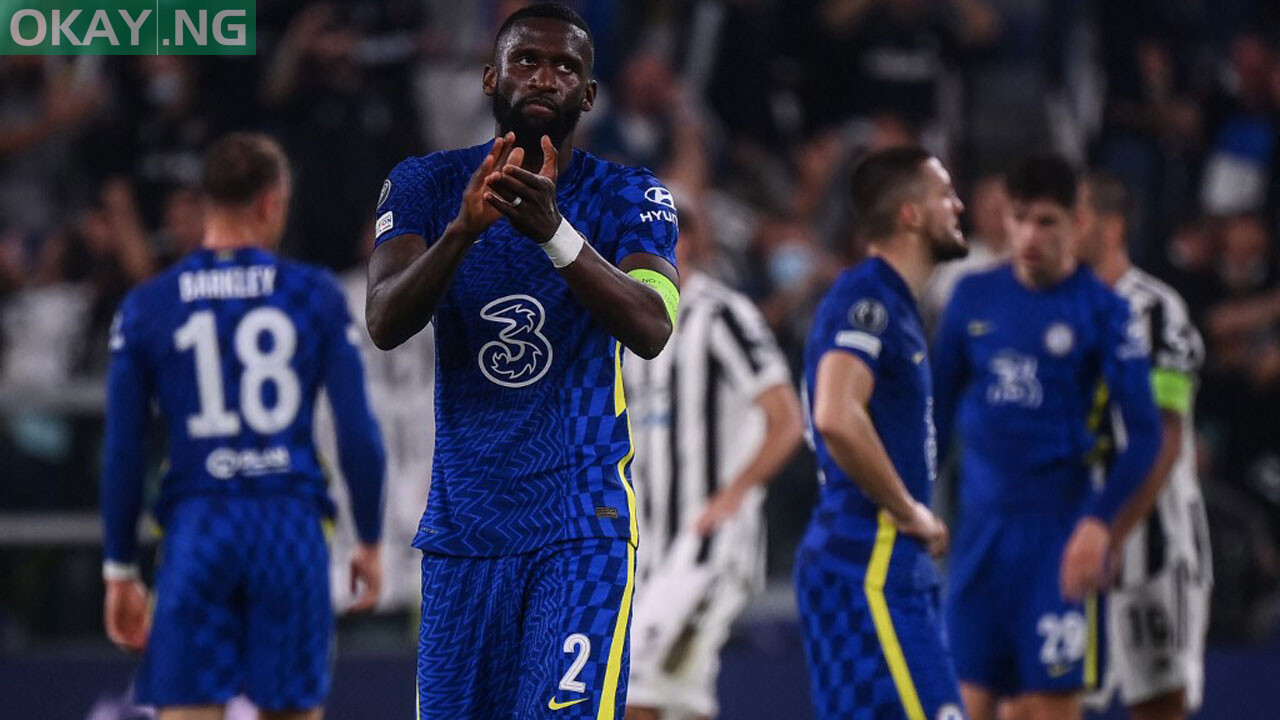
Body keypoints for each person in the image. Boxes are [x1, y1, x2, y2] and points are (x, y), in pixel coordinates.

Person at [363, 3, 680, 718]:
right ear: (490, 77)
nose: (544, 77)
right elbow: (384, 319)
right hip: (464, 532)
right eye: (527, 61)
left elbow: (653, 324)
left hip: (581, 525)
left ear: (589, 94)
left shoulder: (631, 195)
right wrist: (461, 232)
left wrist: (554, 234)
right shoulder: (425, 185)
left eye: (565, 67)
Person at [100, 132, 387, 720]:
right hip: (289, 523)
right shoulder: (313, 295)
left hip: (199, 523)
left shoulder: (150, 305)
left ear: (208, 202)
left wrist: (120, 568)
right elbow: (358, 432)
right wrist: (369, 538)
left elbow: (124, 448)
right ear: (271, 202)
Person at [932, 155, 1161, 720]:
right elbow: (933, 412)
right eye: (1019, 218)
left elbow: (1146, 435)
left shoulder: (1104, 311)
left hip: (1058, 537)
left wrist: (1098, 523)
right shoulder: (971, 297)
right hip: (979, 534)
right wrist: (913, 502)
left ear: (1076, 223)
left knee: (1049, 708)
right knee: (964, 705)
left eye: (1046, 222)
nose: (1030, 236)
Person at [795, 146, 969, 720]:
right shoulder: (868, 298)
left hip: (869, 561)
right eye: (945, 194)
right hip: (869, 559)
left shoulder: (892, 302)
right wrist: (909, 510)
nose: (958, 205)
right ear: (910, 215)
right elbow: (836, 414)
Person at [623, 199, 804, 720]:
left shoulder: (721, 314)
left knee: (634, 689)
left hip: (707, 546)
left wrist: (733, 494)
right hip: (650, 550)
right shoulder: (626, 322)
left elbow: (787, 419)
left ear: (694, 243)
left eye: (673, 236)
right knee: (683, 700)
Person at [1076, 173, 1212, 720]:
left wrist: (1110, 533)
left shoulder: (1156, 310)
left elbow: (1167, 436)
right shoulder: (1057, 308)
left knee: (1158, 706)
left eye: (1076, 217)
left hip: (1153, 544)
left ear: (1111, 228)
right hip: (1073, 540)